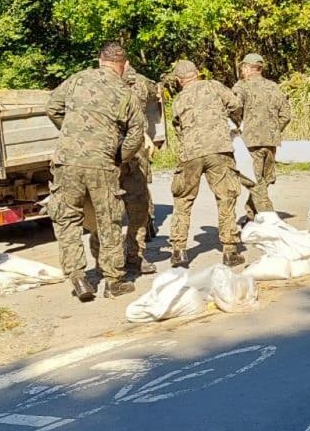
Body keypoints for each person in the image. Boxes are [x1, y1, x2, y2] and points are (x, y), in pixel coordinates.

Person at [46, 41, 145, 301]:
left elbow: (52, 108)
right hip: (102, 162)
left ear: (100, 61)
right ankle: (113, 281)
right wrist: (120, 157)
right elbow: (137, 133)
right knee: (108, 220)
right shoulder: (125, 92)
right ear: (123, 66)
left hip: (67, 161)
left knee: (68, 218)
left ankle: (78, 278)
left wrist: (72, 134)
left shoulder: (78, 79)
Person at [168, 59, 246, 268]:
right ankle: (230, 250)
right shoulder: (214, 86)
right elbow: (236, 104)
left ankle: (179, 250)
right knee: (226, 197)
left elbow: (177, 128)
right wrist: (232, 120)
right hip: (219, 149)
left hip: (190, 153)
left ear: (179, 80)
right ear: (197, 73)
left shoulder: (178, 100)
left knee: (183, 200)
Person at [91, 65, 158, 277]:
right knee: (104, 213)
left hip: (133, 157)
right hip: (106, 158)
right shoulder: (96, 90)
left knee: (139, 207)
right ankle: (103, 260)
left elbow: (152, 99)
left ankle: (135, 255)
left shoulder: (137, 86)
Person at [232, 53, 292, 220]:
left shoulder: (241, 86)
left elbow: (234, 110)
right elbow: (286, 114)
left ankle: (268, 218)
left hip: (250, 143)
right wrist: (274, 130)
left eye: (243, 68)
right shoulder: (274, 87)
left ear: (246, 68)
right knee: (263, 181)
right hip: (271, 142)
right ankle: (252, 216)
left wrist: (237, 129)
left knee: (254, 181)